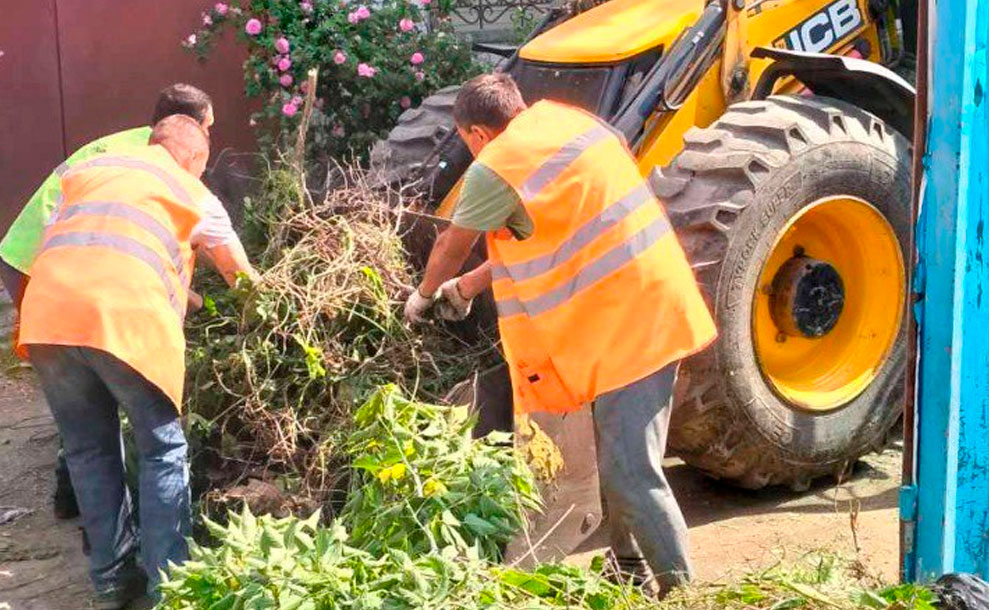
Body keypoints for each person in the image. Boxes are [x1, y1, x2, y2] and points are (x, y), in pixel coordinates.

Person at [404, 73, 717, 596]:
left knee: (630, 470)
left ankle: (684, 594)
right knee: (619, 456)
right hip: (643, 305)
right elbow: (551, 234)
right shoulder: (570, 122)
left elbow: (449, 246)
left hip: (633, 326)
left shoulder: (495, 166)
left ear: (477, 134)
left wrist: (424, 296)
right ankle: (628, 570)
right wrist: (470, 287)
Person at [18, 115, 257, 610]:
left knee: (88, 451)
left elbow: (87, 243)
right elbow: (243, 279)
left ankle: (109, 582)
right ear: (193, 157)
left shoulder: (91, 170)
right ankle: (169, 585)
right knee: (161, 448)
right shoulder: (191, 191)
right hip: (124, 320)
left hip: (48, 316)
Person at [0, 83, 217, 521]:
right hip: (46, 263)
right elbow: (222, 248)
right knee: (98, 380)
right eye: (209, 130)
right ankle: (74, 494)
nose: (210, 142)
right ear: (188, 131)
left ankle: (89, 527)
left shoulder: (126, 146)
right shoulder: (163, 164)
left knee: (83, 399)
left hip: (42, 263)